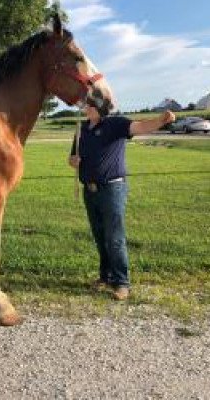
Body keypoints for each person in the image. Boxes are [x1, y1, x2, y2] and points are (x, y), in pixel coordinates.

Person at [68, 91, 176, 300]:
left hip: (112, 190)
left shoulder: (114, 124)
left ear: (99, 107)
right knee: (100, 237)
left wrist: (161, 120)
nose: (85, 108)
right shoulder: (81, 130)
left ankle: (122, 283)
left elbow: (140, 127)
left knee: (114, 238)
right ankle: (106, 277)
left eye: (89, 105)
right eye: (85, 105)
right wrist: (73, 161)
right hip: (89, 190)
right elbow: (72, 158)